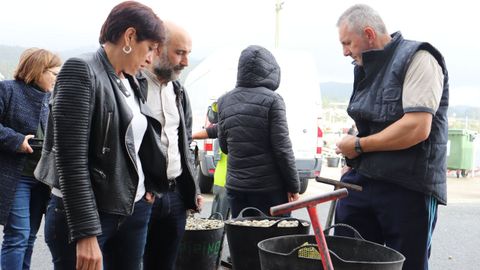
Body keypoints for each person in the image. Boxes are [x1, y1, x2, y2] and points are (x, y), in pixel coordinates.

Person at [33, 2, 167, 269]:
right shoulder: (80, 70)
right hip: (89, 216)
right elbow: (70, 158)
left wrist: (149, 186)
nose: (151, 58)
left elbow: (137, 143)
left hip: (134, 208)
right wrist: (85, 232)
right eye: (150, 48)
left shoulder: (131, 80)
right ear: (129, 37)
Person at [334, 4, 448, 270]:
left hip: (408, 185)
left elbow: (417, 127)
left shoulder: (419, 57)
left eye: (347, 43)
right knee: (347, 257)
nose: (344, 52)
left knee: (407, 264)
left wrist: (359, 146)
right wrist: (352, 157)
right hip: (363, 181)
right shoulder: (364, 68)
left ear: (370, 34)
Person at [141, 21, 202, 270]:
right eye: (180, 53)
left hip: (175, 195)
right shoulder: (132, 86)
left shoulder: (178, 90)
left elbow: (184, 143)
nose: (186, 62)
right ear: (157, 48)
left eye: (188, 54)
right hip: (142, 197)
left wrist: (194, 187)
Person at [216, 45, 300, 218]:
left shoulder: (224, 100)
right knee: (271, 241)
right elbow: (282, 149)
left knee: (243, 238)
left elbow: (224, 146)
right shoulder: (273, 100)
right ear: (271, 70)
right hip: (269, 189)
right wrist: (293, 186)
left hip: (236, 188)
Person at [0, 48, 61, 270]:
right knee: (17, 236)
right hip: (16, 177)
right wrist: (17, 141)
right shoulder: (7, 90)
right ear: (37, 70)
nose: (57, 79)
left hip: (42, 180)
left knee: (29, 237)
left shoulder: (52, 98)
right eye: (54, 73)